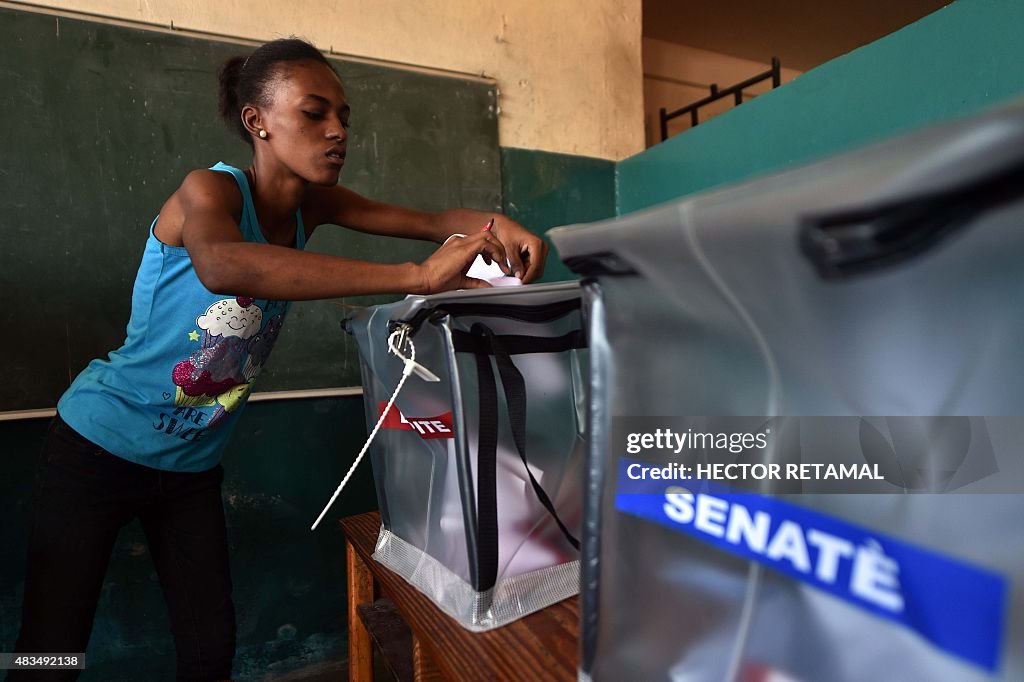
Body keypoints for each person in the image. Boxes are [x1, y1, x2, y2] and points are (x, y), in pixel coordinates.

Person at [10, 38, 547, 682]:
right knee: (51, 647)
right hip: (94, 450)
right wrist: (416, 277)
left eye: (344, 117)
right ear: (256, 121)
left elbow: (432, 220)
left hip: (189, 470)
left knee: (209, 652)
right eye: (314, 114)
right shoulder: (209, 190)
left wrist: (496, 228)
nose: (337, 131)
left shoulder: (312, 206)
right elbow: (223, 264)